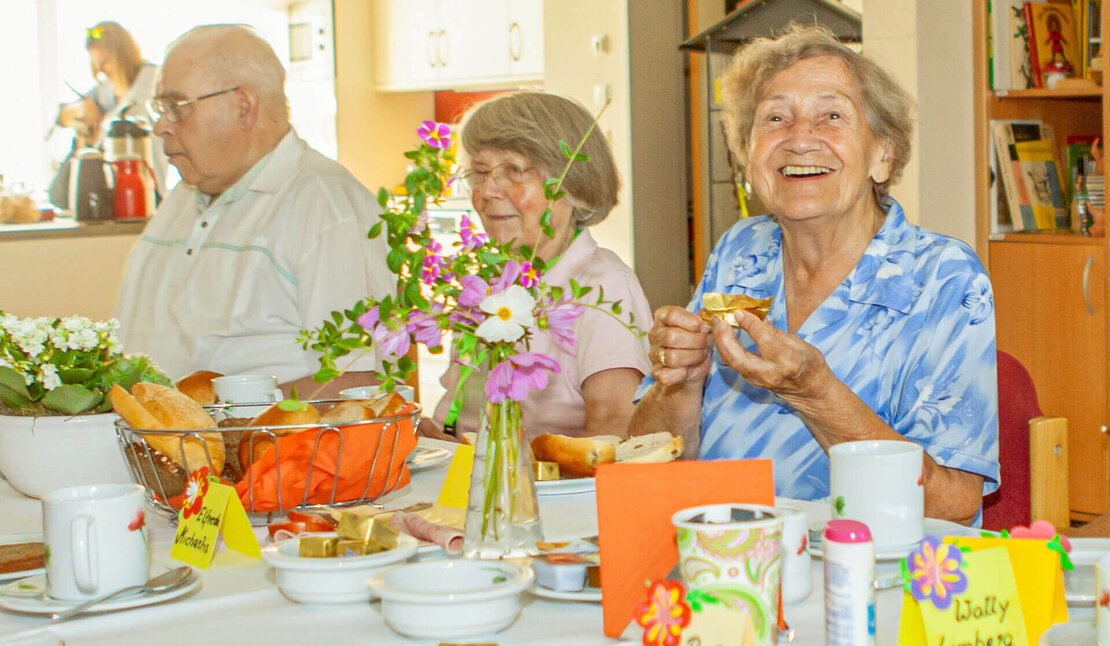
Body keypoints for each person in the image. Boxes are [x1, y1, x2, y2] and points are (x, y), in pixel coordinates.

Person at [629, 25, 999, 526]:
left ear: (881, 155)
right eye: (775, 117)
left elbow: (954, 505)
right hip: (726, 559)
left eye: (832, 116)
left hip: (868, 576)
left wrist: (816, 391)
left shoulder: (942, 277)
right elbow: (643, 459)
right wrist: (681, 384)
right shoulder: (741, 251)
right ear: (747, 154)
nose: (800, 139)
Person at [113, 25, 392, 397]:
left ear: (244, 106)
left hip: (257, 451)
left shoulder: (328, 207)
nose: (161, 127)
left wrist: (208, 418)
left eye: (177, 107)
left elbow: (355, 382)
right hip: (149, 446)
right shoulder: (183, 195)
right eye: (160, 109)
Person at [418, 92, 652, 442]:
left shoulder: (602, 284)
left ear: (570, 183)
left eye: (512, 170)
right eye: (480, 173)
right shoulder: (487, 280)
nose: (487, 192)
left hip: (546, 493)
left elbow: (613, 435)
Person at [50, 21, 168, 206]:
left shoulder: (153, 81)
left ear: (124, 56)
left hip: (148, 191)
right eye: (95, 64)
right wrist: (83, 110)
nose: (100, 70)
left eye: (104, 62)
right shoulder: (105, 92)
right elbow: (61, 115)